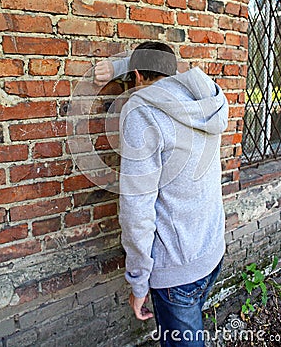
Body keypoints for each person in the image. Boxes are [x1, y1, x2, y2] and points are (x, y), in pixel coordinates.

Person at [94, 42, 229, 346]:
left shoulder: (142, 111)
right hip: (210, 250)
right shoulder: (205, 99)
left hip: (177, 269)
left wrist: (138, 281)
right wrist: (118, 67)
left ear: (138, 75)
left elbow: (136, 207)